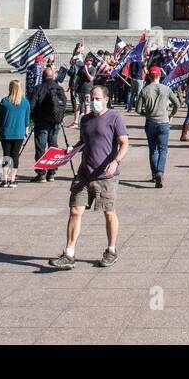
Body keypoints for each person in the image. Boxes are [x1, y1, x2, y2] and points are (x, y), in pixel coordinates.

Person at [50, 86, 129, 270]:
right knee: (75, 211)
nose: (93, 100)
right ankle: (69, 254)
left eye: (97, 97)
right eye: (91, 97)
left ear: (106, 99)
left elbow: (124, 143)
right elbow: (84, 142)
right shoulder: (85, 119)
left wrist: (116, 161)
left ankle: (111, 250)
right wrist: (73, 149)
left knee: (108, 212)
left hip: (105, 175)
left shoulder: (114, 118)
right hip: (84, 174)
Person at [136, 65, 180, 186]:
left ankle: (155, 174)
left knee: (153, 149)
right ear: (159, 75)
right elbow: (177, 104)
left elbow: (138, 109)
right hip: (164, 122)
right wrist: (171, 115)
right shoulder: (166, 89)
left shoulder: (144, 90)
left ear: (149, 76)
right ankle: (160, 171)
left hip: (150, 122)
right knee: (163, 149)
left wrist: (146, 113)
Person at [30, 65, 68, 182]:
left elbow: (32, 106)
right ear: (53, 76)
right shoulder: (59, 88)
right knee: (53, 146)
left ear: (43, 76)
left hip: (41, 122)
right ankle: (52, 172)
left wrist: (32, 118)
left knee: (40, 147)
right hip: (55, 122)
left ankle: (41, 173)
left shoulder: (38, 88)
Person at [0, 79, 31, 188]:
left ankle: (5, 179)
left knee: (6, 155)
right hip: (19, 133)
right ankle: (12, 179)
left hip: (6, 132)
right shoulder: (25, 102)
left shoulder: (4, 101)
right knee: (15, 156)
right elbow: (27, 120)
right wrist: (26, 132)